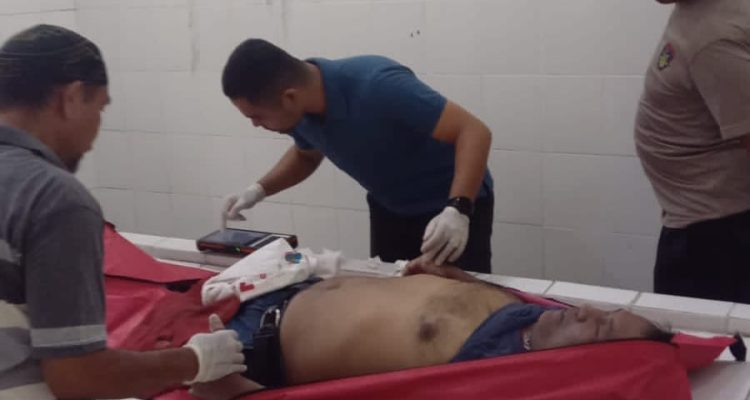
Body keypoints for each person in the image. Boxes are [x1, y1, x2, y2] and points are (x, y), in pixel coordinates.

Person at [0, 25, 246, 400]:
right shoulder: (52, 198)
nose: (94, 135)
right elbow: (78, 377)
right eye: (99, 108)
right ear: (71, 98)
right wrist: (195, 360)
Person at [188, 259, 672, 399]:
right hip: (280, 287)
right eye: (603, 311)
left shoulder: (493, 379)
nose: (585, 310)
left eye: (601, 327)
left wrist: (237, 393)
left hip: (247, 350)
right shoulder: (533, 316)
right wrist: (449, 279)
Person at [220, 39, 495, 273]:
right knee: (394, 294)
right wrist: (258, 190)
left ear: (289, 97)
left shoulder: (378, 85)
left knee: (459, 301)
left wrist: (458, 208)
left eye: (257, 116)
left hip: (449, 207)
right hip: (390, 210)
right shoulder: (301, 111)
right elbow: (306, 156)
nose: (255, 124)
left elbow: (473, 132)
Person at [635, 0, 750, 303]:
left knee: (697, 331)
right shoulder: (702, 10)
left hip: (716, 239)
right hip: (706, 223)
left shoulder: (713, 38)